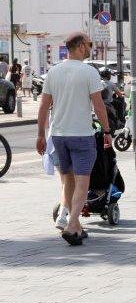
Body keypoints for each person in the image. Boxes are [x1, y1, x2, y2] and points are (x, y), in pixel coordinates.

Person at [34, 32, 112, 245]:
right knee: (82, 181)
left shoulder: (53, 72)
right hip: (81, 135)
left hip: (58, 136)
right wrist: (107, 131)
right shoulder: (89, 72)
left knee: (67, 180)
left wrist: (41, 134)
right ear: (79, 46)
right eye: (89, 44)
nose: (91, 47)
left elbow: (43, 106)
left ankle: (76, 226)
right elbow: (98, 105)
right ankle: (72, 223)